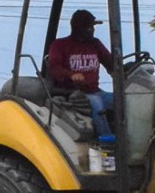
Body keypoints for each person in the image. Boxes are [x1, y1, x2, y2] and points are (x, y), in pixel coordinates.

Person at [44, 8, 116, 142]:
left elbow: (111, 64)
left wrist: (123, 68)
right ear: (78, 29)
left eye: (93, 27)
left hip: (95, 91)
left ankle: (126, 137)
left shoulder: (95, 44)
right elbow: (54, 68)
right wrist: (71, 75)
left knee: (121, 100)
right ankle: (107, 140)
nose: (92, 30)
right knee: (97, 103)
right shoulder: (60, 45)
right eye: (89, 28)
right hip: (71, 93)